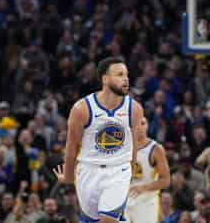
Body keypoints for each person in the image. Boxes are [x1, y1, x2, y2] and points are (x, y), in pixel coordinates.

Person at [53, 57, 144, 223]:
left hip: (118, 171)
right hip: (88, 171)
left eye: (127, 75)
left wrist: (130, 172)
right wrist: (67, 176)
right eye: (119, 74)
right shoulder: (82, 109)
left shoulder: (134, 109)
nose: (126, 79)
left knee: (108, 220)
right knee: (92, 219)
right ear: (105, 79)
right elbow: (71, 145)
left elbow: (134, 144)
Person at [125, 117, 170, 223]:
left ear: (147, 126)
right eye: (137, 123)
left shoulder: (155, 149)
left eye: (143, 123)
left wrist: (144, 187)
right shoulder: (123, 148)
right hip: (124, 201)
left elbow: (166, 180)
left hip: (146, 202)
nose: (140, 127)